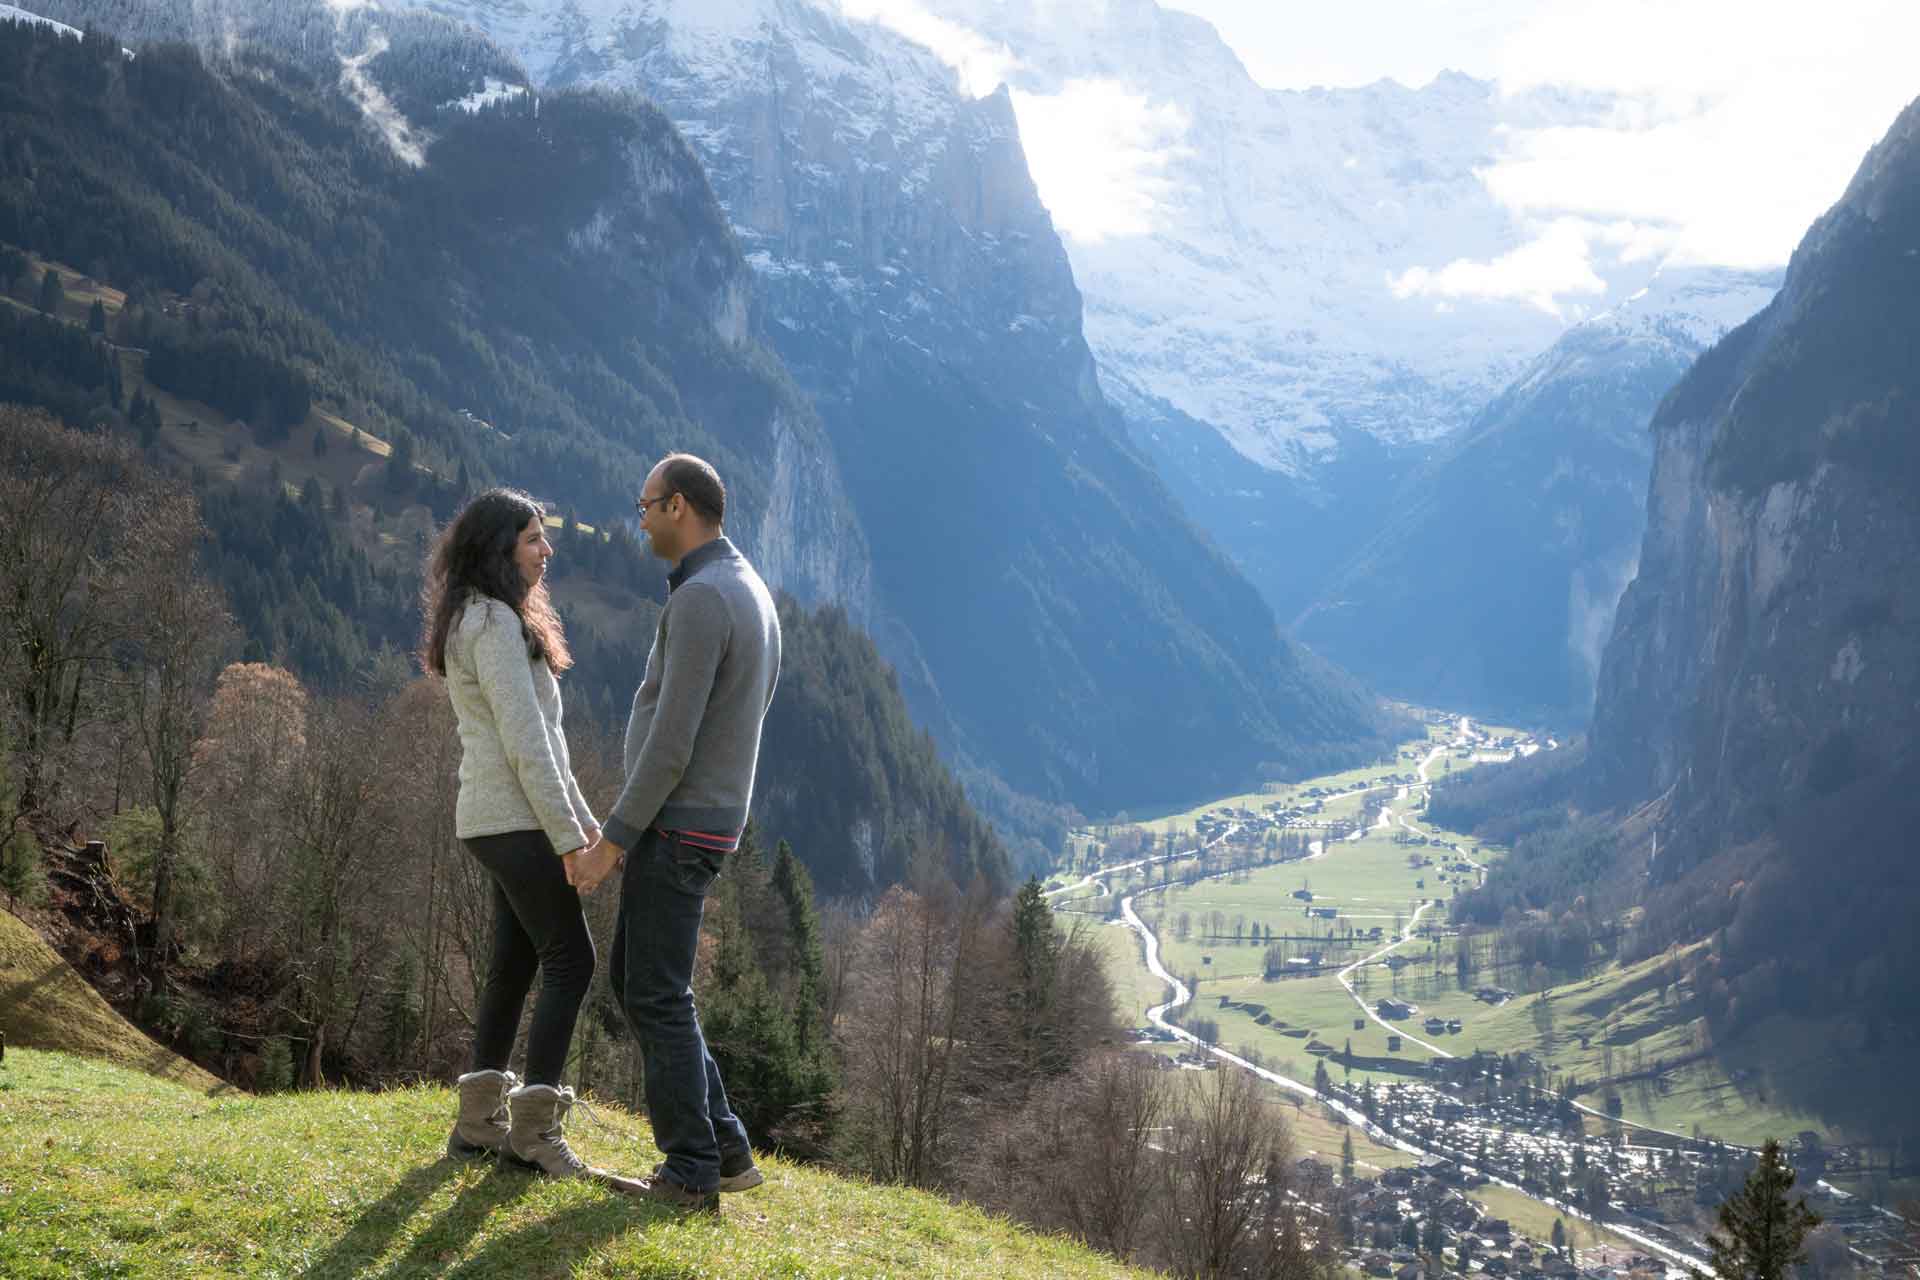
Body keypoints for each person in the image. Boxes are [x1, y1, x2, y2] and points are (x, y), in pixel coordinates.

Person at [569, 453, 781, 1214]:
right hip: (713, 820)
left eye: (646, 505)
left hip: (677, 824)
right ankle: (721, 1145)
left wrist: (611, 843)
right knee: (642, 982)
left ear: (680, 508)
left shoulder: (700, 601)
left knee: (656, 993)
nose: (640, 518)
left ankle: (692, 1168)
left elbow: (672, 742)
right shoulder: (750, 588)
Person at [420, 487, 611, 1181]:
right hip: (518, 818)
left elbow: (546, 744)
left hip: (497, 817)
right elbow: (527, 741)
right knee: (572, 961)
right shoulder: (495, 624)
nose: (547, 550)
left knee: (516, 962)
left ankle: (477, 1125)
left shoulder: (476, 618)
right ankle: (533, 1134)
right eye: (534, 538)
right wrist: (568, 840)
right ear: (501, 548)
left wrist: (587, 820)